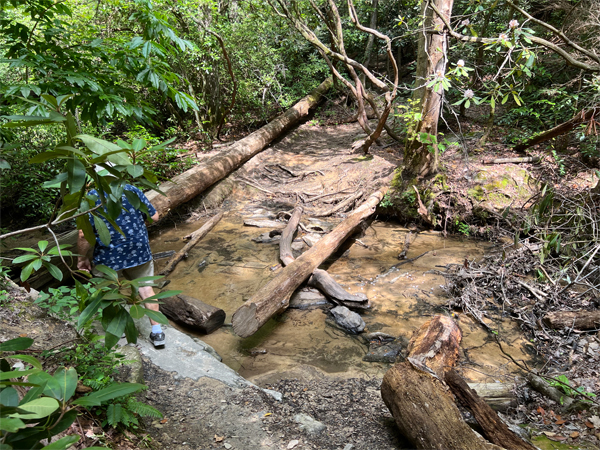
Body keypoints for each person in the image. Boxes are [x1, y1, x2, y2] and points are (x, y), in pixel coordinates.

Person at [77, 184, 166, 347]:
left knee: (110, 291)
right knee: (146, 289)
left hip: (109, 254)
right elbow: (154, 217)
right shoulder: (132, 189)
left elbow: (83, 234)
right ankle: (158, 332)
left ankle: (117, 332)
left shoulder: (90, 198)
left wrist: (82, 259)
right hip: (138, 249)